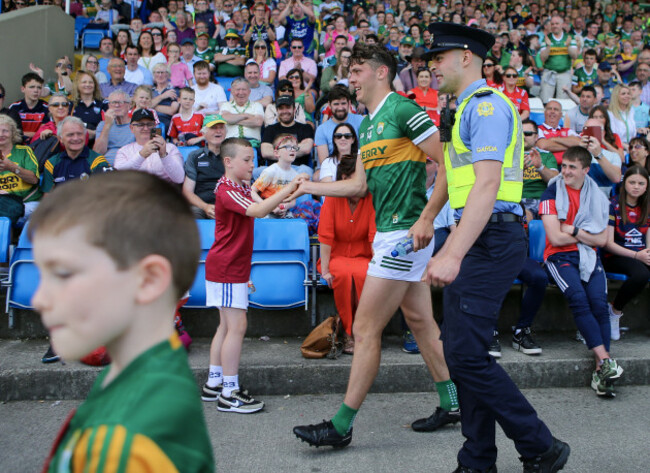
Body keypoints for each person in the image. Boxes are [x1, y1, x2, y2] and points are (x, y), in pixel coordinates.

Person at [293, 42, 460, 448]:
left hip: (406, 233)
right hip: (391, 232)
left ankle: (341, 426)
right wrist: (304, 186)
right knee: (420, 322)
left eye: (356, 71)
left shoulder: (403, 110)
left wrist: (425, 219)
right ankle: (452, 403)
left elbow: (449, 165)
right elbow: (358, 185)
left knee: (365, 329)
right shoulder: (366, 126)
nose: (350, 79)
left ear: (380, 72)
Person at [421, 23, 569, 472]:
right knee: (464, 350)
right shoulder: (463, 107)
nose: (432, 67)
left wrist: (452, 252)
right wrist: (428, 218)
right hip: (480, 234)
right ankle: (478, 459)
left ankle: (539, 445)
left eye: (438, 59)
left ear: (466, 57)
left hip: (489, 235)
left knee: (463, 353)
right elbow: (455, 176)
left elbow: (486, 185)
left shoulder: (486, 108)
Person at [33, 171, 214, 472]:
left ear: (147, 280)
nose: (38, 299)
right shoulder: (133, 369)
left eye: (63, 273)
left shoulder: (126, 447)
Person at [201, 138, 301, 411]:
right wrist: (290, 187)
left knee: (226, 326)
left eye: (253, 159)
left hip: (230, 265)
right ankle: (229, 392)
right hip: (226, 266)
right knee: (236, 327)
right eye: (246, 160)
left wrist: (289, 196)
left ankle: (214, 383)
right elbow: (257, 211)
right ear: (228, 162)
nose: (252, 165)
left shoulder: (240, 186)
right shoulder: (226, 189)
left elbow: (264, 203)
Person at [540, 146, 623, 399]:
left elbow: (601, 240)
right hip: (558, 256)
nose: (565, 171)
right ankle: (607, 360)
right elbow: (554, 236)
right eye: (563, 166)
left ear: (586, 170)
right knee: (578, 299)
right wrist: (585, 237)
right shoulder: (550, 191)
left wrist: (574, 232)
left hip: (589, 255)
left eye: (572, 167)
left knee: (599, 304)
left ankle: (601, 371)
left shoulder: (598, 196)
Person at [318, 155, 376, 354]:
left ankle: (360, 330)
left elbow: (373, 237)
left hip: (364, 254)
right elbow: (325, 235)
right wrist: (325, 270)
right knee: (342, 274)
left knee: (363, 275)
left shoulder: (371, 198)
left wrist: (378, 268)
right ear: (344, 178)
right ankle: (350, 334)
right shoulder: (333, 198)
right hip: (336, 255)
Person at [602, 165, 650, 340]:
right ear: (624, 184)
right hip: (616, 256)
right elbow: (607, 243)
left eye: (641, 183)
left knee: (643, 269)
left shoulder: (647, 207)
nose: (636, 186)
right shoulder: (613, 205)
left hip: (640, 255)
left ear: (646, 186)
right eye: (632, 182)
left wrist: (647, 254)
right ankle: (615, 311)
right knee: (641, 275)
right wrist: (637, 256)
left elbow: (648, 240)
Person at [42, 117, 112, 194]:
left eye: (79, 134)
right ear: (60, 139)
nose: (76, 138)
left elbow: (104, 195)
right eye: (70, 135)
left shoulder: (97, 161)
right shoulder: (51, 163)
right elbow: (47, 196)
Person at [114, 109, 184, 185]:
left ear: (154, 126)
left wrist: (164, 155)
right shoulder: (124, 151)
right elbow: (119, 178)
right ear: (132, 128)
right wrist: (141, 155)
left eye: (149, 124)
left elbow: (179, 179)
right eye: (140, 125)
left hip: (163, 193)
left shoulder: (170, 148)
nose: (146, 128)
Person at [252, 134, 309, 217]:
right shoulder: (270, 171)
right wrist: (267, 206)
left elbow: (293, 201)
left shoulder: (296, 175)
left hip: (284, 212)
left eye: (295, 147)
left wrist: (284, 207)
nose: (292, 150)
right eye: (288, 147)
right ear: (276, 153)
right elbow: (252, 191)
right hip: (265, 212)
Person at [183, 114, 227, 219]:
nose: (218, 131)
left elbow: (242, 185)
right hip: (201, 205)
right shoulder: (194, 156)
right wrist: (205, 206)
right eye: (213, 128)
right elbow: (187, 191)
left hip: (227, 204)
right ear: (203, 133)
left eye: (221, 127)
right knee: (192, 214)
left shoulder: (233, 155)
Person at [0, 115, 40, 224]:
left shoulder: (24, 151)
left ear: (13, 133)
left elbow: (34, 179)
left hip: (26, 203)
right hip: (3, 202)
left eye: (5, 131)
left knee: (4, 212)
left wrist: (12, 167)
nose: (1, 134)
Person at [314, 87, 364, 165]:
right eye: (336, 104)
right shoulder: (322, 129)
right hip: (333, 169)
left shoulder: (360, 121)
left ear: (349, 104)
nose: (340, 108)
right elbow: (324, 163)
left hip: (359, 165)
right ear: (329, 106)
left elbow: (366, 150)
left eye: (343, 103)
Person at [521, 119, 559, 221]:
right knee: (524, 216)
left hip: (543, 200)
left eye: (528, 134)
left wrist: (540, 167)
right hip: (518, 200)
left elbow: (556, 180)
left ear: (536, 137)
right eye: (520, 133)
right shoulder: (510, 156)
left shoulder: (546, 155)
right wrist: (519, 170)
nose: (523, 136)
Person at [539, 15, 578, 102]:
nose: (554, 26)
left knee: (563, 101)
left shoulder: (569, 37)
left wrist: (567, 46)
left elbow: (575, 56)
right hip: (549, 72)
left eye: (557, 23)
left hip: (564, 73)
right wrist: (548, 46)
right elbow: (543, 59)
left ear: (562, 24)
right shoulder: (546, 38)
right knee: (545, 100)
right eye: (552, 24)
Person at [93, 90, 136, 166]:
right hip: (106, 168)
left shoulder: (137, 125)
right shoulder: (103, 125)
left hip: (129, 166)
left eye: (121, 102)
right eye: (113, 103)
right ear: (109, 106)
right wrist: (107, 125)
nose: (116, 105)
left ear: (129, 105)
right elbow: (97, 152)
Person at [220, 78, 264, 145]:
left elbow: (258, 122)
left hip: (251, 143)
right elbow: (225, 118)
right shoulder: (226, 105)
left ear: (249, 91)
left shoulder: (257, 105)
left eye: (244, 89)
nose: (241, 93)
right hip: (230, 143)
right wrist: (246, 115)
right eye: (238, 89)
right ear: (232, 92)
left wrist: (233, 121)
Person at [536, 100, 581, 166]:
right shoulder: (538, 129)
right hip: (546, 166)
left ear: (561, 114)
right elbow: (543, 145)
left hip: (567, 167)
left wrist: (554, 139)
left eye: (556, 109)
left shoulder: (567, 130)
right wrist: (571, 146)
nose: (552, 111)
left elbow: (579, 143)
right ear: (545, 112)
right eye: (549, 109)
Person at [9, 72, 49, 142]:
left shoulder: (46, 107)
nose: (36, 90)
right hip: (18, 145)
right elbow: (12, 132)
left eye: (39, 87)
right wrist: (35, 134)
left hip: (39, 145)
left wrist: (22, 133)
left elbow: (43, 133)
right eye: (32, 87)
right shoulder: (14, 107)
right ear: (23, 89)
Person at [71, 72, 105, 143]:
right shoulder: (71, 105)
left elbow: (108, 126)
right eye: (84, 82)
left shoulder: (103, 105)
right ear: (77, 85)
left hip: (97, 143)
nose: (87, 85)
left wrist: (95, 133)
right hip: (75, 142)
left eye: (90, 82)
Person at [607, 84, 636, 150]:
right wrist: (626, 147)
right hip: (617, 148)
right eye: (623, 94)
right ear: (616, 96)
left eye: (628, 93)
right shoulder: (610, 113)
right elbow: (612, 136)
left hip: (631, 147)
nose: (627, 96)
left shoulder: (631, 111)